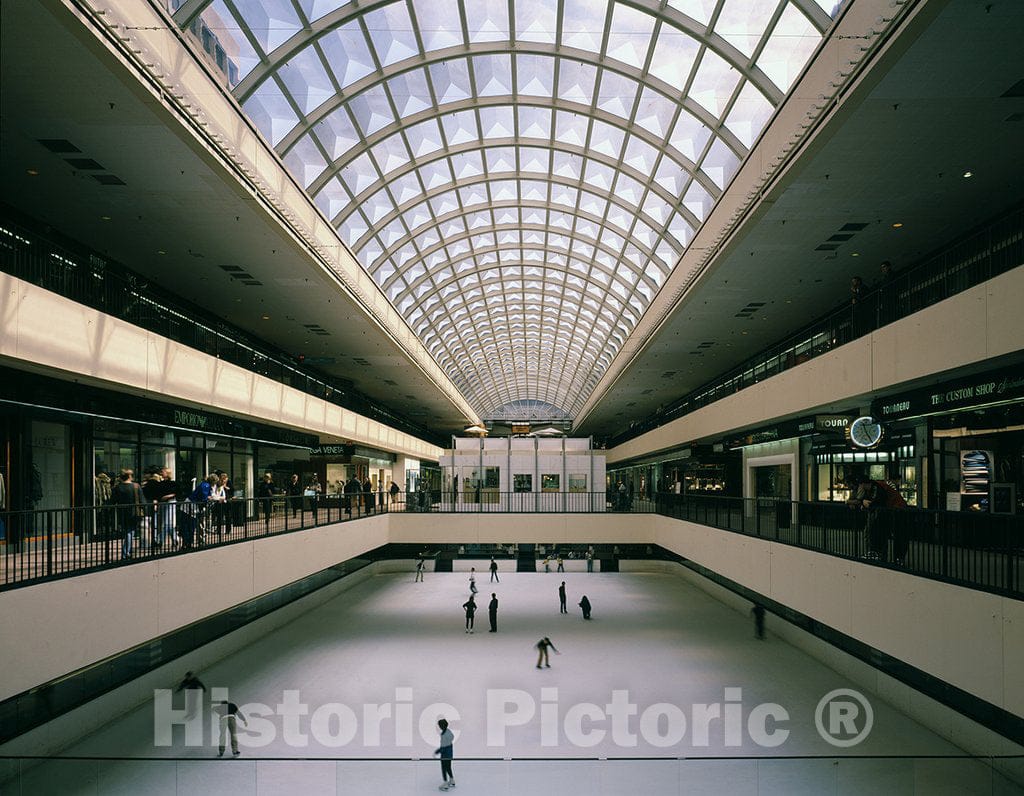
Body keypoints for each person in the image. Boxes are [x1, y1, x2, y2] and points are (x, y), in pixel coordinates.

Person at [109, 468, 144, 560]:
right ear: (129, 476)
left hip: (122, 512)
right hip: (134, 512)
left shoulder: (117, 487)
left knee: (128, 531)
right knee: (130, 532)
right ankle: (126, 553)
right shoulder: (136, 486)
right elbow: (142, 501)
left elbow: (112, 501)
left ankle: (128, 551)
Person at [434, 717, 455, 791]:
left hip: (445, 755)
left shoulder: (444, 735)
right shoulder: (449, 732)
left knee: (444, 768)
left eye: (439, 725)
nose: (439, 726)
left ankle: (445, 783)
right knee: (448, 767)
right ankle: (452, 780)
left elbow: (443, 747)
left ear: (441, 726)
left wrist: (437, 752)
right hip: (450, 754)